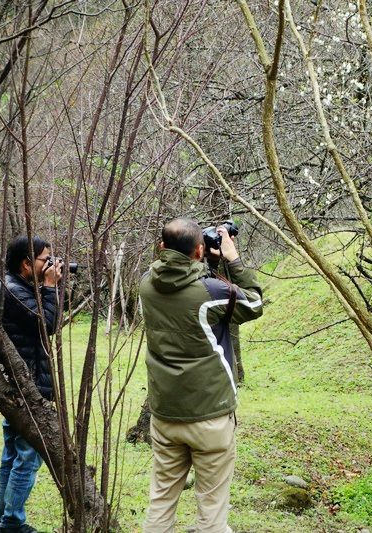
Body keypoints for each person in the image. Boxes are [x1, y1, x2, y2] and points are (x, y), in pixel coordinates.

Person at [140, 218, 263, 533]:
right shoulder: (211, 292)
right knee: (211, 509)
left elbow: (179, 283)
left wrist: (202, 262)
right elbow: (253, 302)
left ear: (162, 248)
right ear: (198, 250)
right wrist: (232, 259)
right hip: (209, 415)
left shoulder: (144, 285)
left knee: (161, 500)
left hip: (165, 412)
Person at [0, 235, 63, 533]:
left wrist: (47, 288)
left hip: (18, 383)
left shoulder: (13, 286)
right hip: (26, 386)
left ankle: (5, 519)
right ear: (26, 263)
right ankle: (12, 523)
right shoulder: (13, 291)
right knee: (28, 457)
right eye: (46, 259)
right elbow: (49, 325)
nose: (51, 264)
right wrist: (50, 288)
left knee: (13, 455)